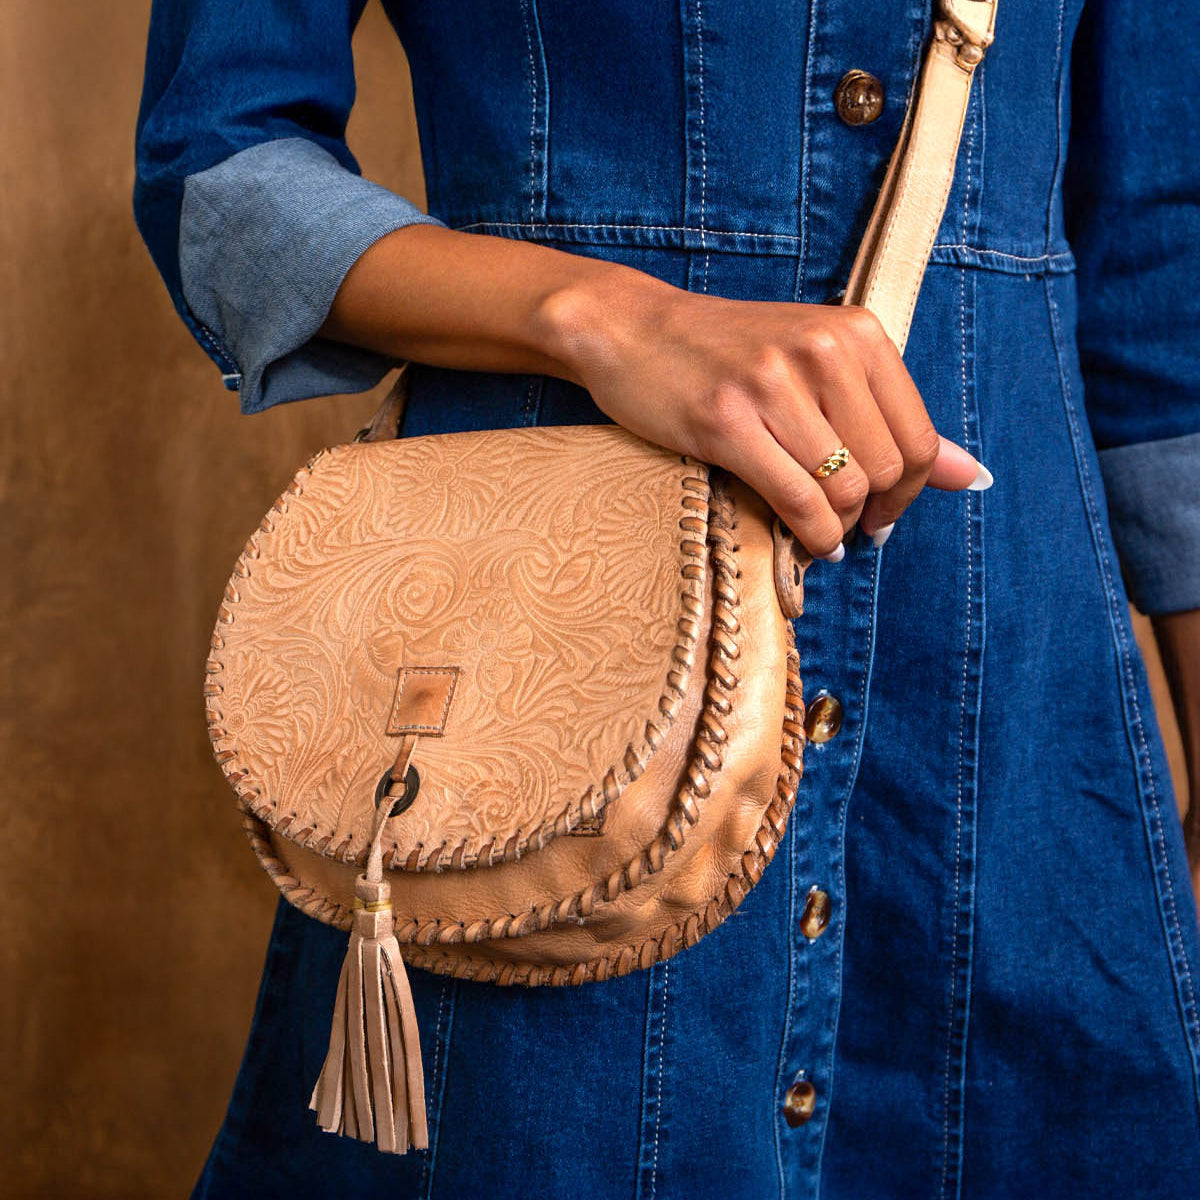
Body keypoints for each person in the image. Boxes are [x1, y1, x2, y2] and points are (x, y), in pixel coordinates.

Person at [133, 1, 1200, 1196]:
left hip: (1015, 713)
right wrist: (606, 317)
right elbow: (220, 167)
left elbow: (1162, 273)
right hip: (556, 679)